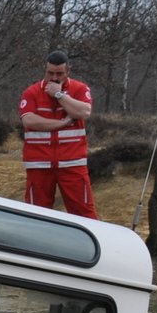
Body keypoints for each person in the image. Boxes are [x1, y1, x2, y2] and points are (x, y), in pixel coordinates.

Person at [18, 50, 97, 218]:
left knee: (84, 213)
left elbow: (84, 112)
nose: (54, 78)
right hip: (39, 164)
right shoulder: (31, 92)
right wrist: (62, 123)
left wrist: (59, 95)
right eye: (50, 73)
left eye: (59, 73)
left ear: (68, 71)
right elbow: (29, 121)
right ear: (45, 71)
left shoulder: (79, 89)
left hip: (72, 163)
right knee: (35, 215)